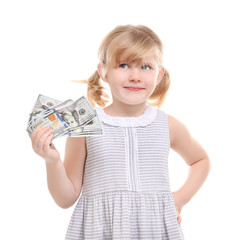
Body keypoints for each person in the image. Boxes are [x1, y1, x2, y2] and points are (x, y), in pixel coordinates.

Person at [30, 24, 211, 240]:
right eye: (123, 65)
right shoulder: (86, 128)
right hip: (100, 231)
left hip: (155, 230)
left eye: (145, 67)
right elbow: (65, 199)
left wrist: (180, 198)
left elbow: (200, 160)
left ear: (159, 74)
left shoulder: (168, 125)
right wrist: (52, 161)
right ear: (103, 71)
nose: (135, 76)